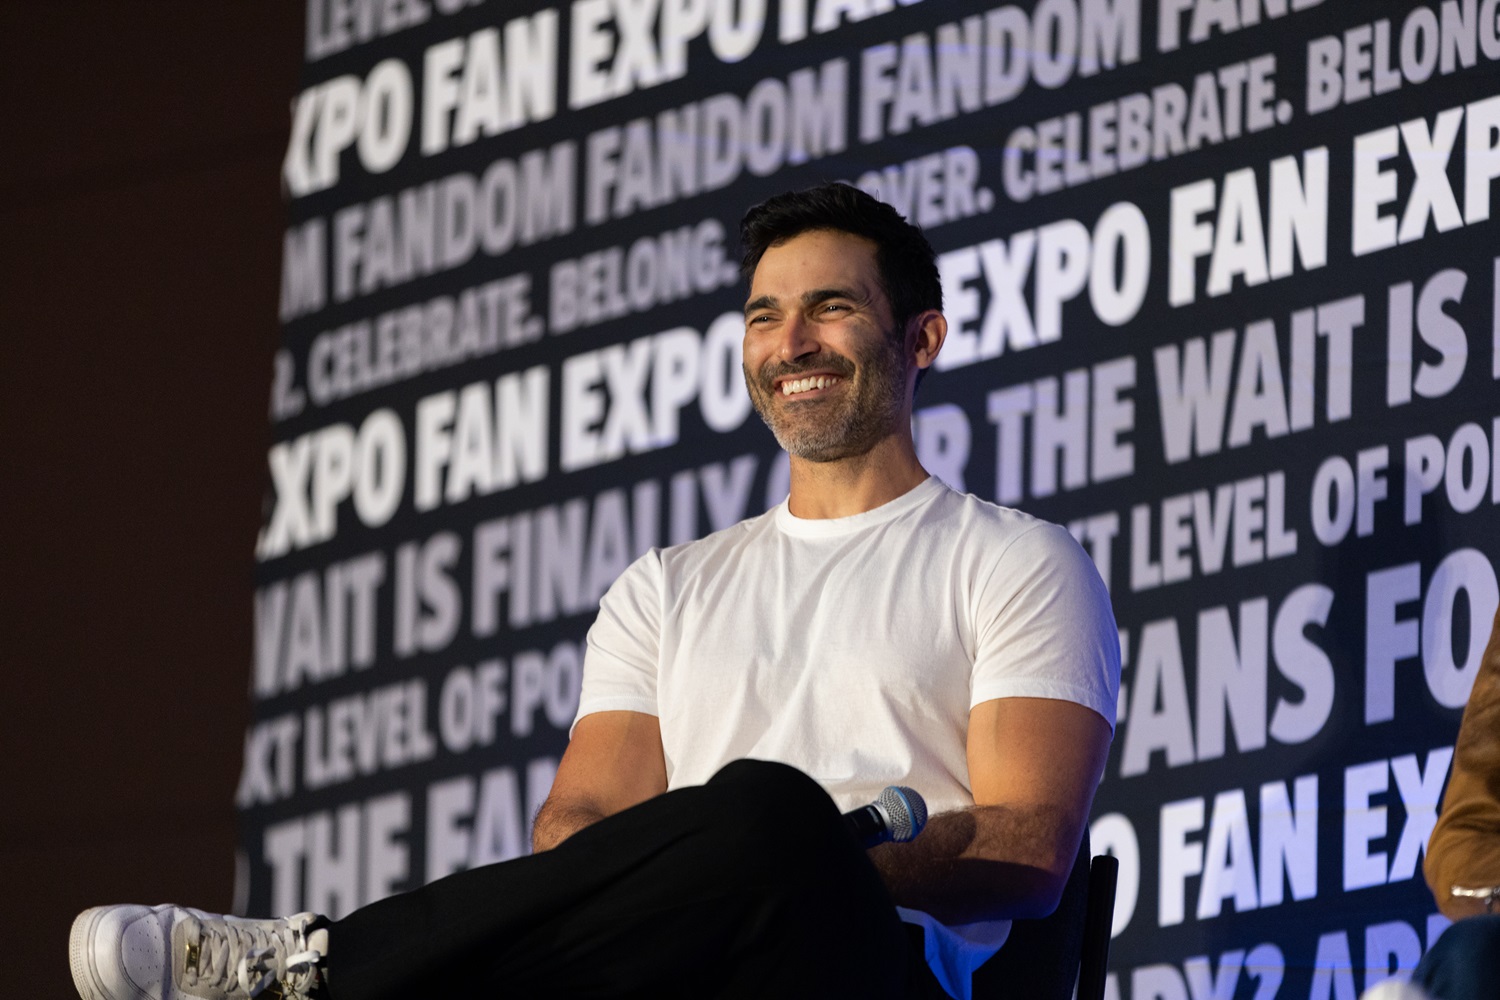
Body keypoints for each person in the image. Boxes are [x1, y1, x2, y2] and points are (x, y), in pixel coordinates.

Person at [68, 183, 1119, 1000]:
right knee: (741, 830)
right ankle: (315, 970)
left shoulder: (1016, 560)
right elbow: (581, 824)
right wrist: (711, 884)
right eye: (764, 316)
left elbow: (1025, 845)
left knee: (767, 811)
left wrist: (805, 862)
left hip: (879, 967)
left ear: (920, 338)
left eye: (830, 308)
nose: (789, 343)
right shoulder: (664, 586)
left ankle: (324, 966)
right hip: (682, 967)